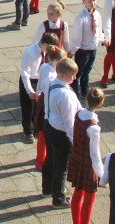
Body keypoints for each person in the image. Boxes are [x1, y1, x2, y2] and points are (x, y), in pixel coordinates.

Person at [40, 58, 80, 209]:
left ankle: (47, 189)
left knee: (50, 159)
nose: (74, 78)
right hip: (61, 133)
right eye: (72, 75)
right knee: (61, 167)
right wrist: (74, 141)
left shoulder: (51, 83)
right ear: (63, 75)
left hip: (49, 125)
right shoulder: (65, 95)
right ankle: (58, 198)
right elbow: (69, 123)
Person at [66, 87, 105, 224]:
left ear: (86, 99)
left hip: (77, 158)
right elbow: (95, 154)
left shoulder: (78, 114)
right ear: (100, 104)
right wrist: (102, 175)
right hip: (88, 166)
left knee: (77, 192)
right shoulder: (94, 128)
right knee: (89, 198)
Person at [19, 31, 60, 143]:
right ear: (45, 45)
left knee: (38, 105)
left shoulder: (46, 52)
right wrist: (29, 91)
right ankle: (28, 131)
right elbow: (25, 74)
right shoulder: (30, 53)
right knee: (28, 107)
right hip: (30, 80)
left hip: (41, 78)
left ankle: (36, 125)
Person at [68, 0, 103, 98]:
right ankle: (75, 93)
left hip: (93, 48)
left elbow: (99, 29)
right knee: (78, 73)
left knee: (87, 71)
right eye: (89, 1)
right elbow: (77, 36)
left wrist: (103, 39)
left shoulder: (97, 14)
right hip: (83, 50)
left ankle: (85, 91)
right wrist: (72, 50)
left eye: (94, 0)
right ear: (83, 1)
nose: (92, 3)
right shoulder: (80, 17)